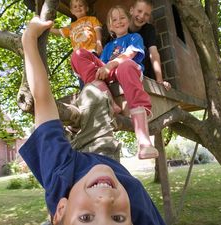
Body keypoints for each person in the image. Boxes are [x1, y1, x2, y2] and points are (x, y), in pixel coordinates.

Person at [20, 15, 166, 225]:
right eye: (117, 218)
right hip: (102, 142)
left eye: (86, 217)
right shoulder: (136, 203)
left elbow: (42, 100)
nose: (105, 199)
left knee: (89, 91)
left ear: (60, 209)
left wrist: (29, 39)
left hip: (75, 157)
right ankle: (104, 97)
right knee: (91, 89)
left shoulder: (59, 176)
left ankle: (96, 100)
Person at [71, 5, 159, 160]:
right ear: (110, 26)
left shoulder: (134, 38)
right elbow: (99, 69)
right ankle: (109, 101)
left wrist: (109, 66)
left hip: (128, 72)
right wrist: (103, 68)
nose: (119, 21)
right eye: (114, 19)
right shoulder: (108, 47)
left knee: (124, 66)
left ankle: (144, 141)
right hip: (109, 76)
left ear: (128, 19)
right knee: (78, 54)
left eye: (122, 17)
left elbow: (129, 55)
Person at [129, 0, 171, 90]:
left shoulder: (149, 29)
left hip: (142, 71)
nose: (142, 16)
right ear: (131, 10)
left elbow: (154, 53)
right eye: (139, 11)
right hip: (123, 67)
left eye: (146, 14)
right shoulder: (121, 27)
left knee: (142, 49)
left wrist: (160, 80)